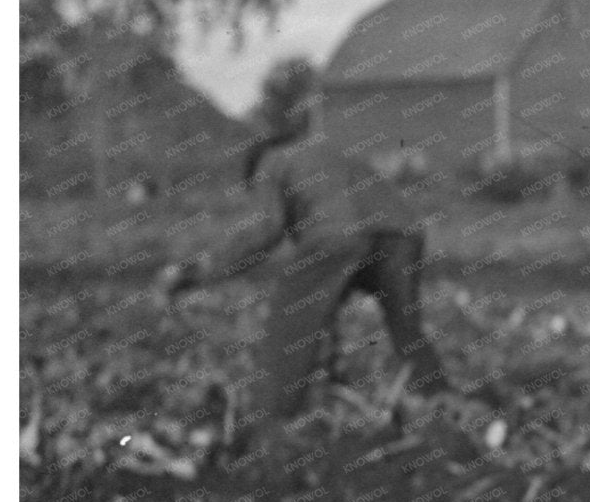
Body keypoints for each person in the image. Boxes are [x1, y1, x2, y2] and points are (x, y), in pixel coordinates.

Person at [159, 113, 458, 441]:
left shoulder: (270, 164)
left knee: (291, 318)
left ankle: (273, 422)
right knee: (405, 327)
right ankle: (442, 403)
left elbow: (265, 231)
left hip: (338, 234)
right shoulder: (325, 152)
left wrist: (198, 272)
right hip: (402, 234)